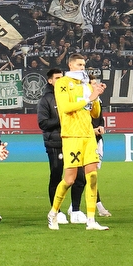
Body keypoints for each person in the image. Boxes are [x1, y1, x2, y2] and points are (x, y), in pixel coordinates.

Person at [47, 53, 109, 231]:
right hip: (71, 135)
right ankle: (53, 213)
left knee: (92, 176)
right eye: (80, 65)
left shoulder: (86, 85)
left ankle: (91, 220)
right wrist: (88, 98)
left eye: (84, 65)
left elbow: (95, 113)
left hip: (88, 135)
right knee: (70, 179)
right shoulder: (63, 83)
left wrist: (96, 95)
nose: (83, 68)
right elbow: (65, 108)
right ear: (71, 65)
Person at [37, 68, 84, 225]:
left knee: (80, 176)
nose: (60, 80)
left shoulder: (70, 96)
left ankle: (76, 210)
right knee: (57, 177)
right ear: (50, 81)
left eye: (61, 77)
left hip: (73, 140)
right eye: (57, 78)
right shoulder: (46, 100)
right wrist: (63, 120)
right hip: (55, 142)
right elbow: (43, 123)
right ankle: (56, 211)